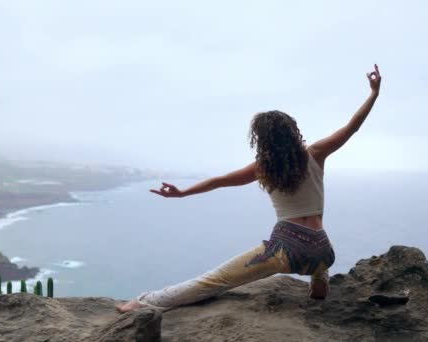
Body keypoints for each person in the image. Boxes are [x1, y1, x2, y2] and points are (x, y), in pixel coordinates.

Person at [116, 64, 382, 313]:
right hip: (324, 249)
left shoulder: (262, 168)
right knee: (317, 252)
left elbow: (219, 181)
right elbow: (352, 127)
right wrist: (373, 94)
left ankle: (144, 303)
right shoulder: (315, 154)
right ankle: (319, 278)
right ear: (293, 132)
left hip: (285, 250)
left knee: (216, 280)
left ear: (262, 140)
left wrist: (183, 192)